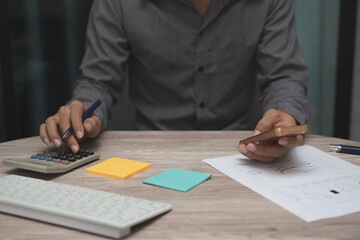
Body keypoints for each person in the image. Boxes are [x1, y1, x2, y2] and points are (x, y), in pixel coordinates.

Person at [39, 0, 312, 163]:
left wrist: (285, 116)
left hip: (243, 151)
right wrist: (81, 112)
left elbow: (283, 77)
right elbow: (99, 81)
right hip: (152, 152)